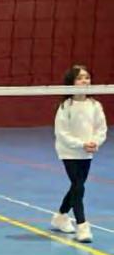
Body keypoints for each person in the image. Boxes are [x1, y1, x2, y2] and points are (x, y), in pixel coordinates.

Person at [50, 64, 106, 243]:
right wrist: (81, 144)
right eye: (80, 78)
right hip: (68, 151)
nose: (84, 81)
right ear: (71, 82)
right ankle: (82, 226)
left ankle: (60, 216)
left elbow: (101, 128)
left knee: (77, 186)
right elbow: (62, 133)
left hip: (87, 152)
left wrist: (95, 142)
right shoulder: (65, 106)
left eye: (87, 77)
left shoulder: (95, 105)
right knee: (78, 186)